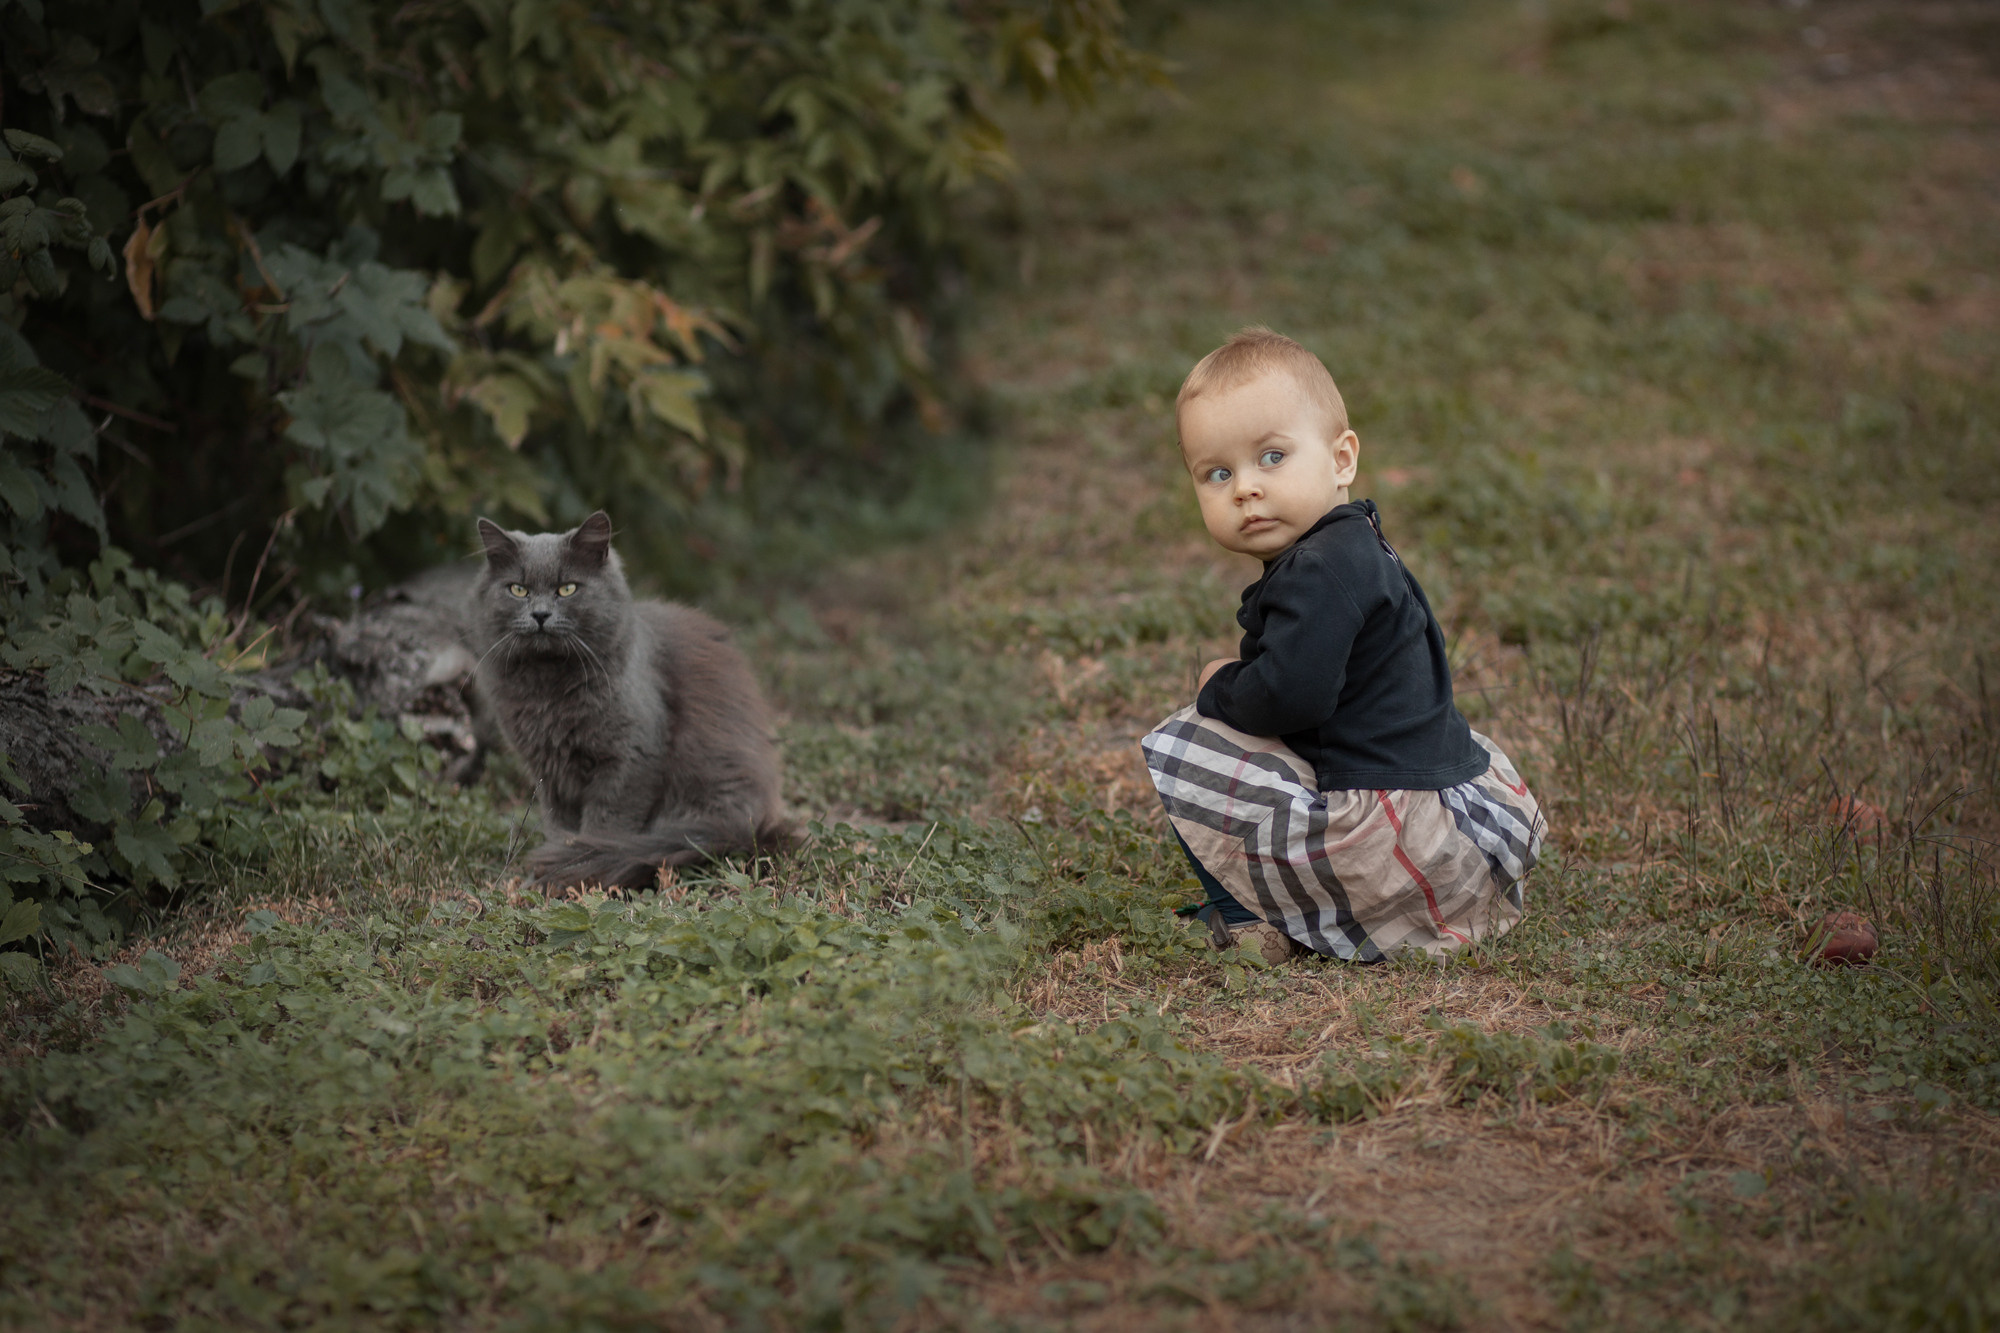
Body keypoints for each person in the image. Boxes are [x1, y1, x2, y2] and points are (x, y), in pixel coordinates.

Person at [1141, 328, 1544, 963]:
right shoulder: (1350, 546)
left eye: (1271, 457)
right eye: (1218, 473)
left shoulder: (1320, 569)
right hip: (1454, 826)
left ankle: (1247, 921)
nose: (1245, 487)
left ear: (1342, 459)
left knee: (1183, 743)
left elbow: (1289, 699)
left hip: (1402, 839)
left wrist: (1219, 686)